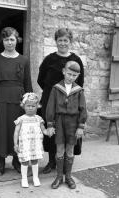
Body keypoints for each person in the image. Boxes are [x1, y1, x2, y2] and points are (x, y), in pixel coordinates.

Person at [0, 27, 33, 175]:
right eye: (6, 39)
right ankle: (1, 161)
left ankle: (16, 160)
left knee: (18, 131)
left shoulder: (24, 60)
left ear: (17, 40)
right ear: (2, 41)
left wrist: (30, 103)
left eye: (12, 39)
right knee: (1, 130)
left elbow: (28, 84)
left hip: (19, 101)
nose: (9, 42)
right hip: (0, 100)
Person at [37, 28, 85, 174]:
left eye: (65, 40)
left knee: (69, 131)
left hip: (70, 102)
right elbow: (40, 80)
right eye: (60, 40)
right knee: (52, 130)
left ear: (70, 42)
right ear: (56, 41)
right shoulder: (49, 59)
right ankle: (52, 162)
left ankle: (65, 162)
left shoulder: (76, 60)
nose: (63, 43)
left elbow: (80, 83)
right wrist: (52, 94)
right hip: (50, 101)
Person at [46, 61, 87, 189]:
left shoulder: (79, 90)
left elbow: (83, 109)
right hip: (59, 121)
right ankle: (59, 176)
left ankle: (68, 176)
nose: (71, 77)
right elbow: (50, 107)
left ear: (78, 76)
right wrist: (50, 124)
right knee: (59, 149)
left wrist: (81, 126)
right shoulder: (56, 88)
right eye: (69, 74)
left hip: (73, 123)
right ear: (64, 71)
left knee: (70, 149)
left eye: (74, 75)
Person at [14, 93, 48, 188]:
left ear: (37, 107)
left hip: (35, 145)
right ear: (23, 106)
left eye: (33, 106)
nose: (30, 108)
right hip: (24, 145)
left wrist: (48, 131)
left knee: (34, 161)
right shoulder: (21, 119)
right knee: (24, 161)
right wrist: (15, 144)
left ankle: (35, 177)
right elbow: (16, 132)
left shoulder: (39, 119)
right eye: (28, 106)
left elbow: (43, 130)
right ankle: (24, 179)